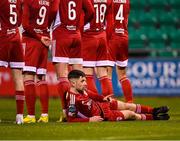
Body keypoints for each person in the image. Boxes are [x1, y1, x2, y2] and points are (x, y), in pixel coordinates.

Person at [65, 70, 169, 122]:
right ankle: (154, 117)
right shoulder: (72, 99)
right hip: (105, 115)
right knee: (130, 114)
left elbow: (93, 95)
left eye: (85, 80)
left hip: (102, 104)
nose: (85, 83)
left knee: (128, 105)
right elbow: (71, 119)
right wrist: (90, 120)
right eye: (82, 81)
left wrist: (103, 98)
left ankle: (154, 110)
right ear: (73, 83)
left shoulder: (82, 90)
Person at [51, 0, 94, 121]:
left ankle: (66, 111)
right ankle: (87, 108)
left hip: (61, 34)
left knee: (63, 77)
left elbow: (53, 10)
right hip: (76, 34)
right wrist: (79, 25)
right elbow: (91, 11)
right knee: (80, 75)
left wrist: (48, 24)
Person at [22, 0, 56, 123]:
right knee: (41, 78)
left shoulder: (28, 1)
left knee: (28, 77)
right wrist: (43, 35)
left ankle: (31, 116)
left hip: (32, 40)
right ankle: (44, 115)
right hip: (45, 40)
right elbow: (53, 12)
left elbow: (25, 25)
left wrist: (38, 37)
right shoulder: (48, 2)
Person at [81, 0, 114, 97]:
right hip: (102, 36)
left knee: (88, 74)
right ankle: (108, 104)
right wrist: (105, 39)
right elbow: (111, 23)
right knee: (103, 74)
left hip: (88, 36)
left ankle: (94, 104)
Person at [0, 0, 25, 124]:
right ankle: (20, 116)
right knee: (19, 78)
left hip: (3, 35)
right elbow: (19, 21)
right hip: (16, 36)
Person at [106, 0, 133, 103]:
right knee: (122, 75)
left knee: (106, 75)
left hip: (112, 37)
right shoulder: (127, 1)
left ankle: (108, 105)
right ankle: (130, 103)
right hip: (124, 36)